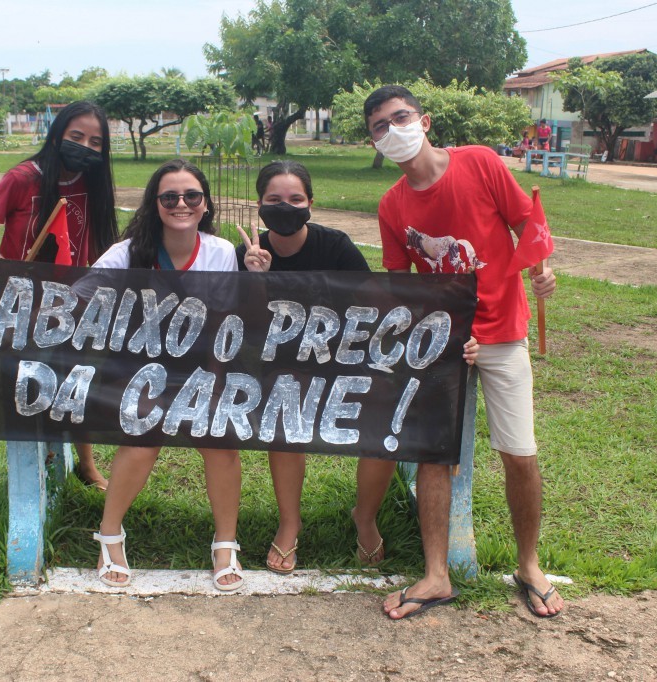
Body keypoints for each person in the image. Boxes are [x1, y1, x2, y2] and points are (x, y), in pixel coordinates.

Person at [362, 84, 562, 620]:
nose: (392, 130)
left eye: (399, 117)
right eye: (379, 126)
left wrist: (542, 271)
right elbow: (401, 288)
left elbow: (526, 224)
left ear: (424, 121)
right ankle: (435, 575)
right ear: (374, 142)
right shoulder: (391, 205)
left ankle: (529, 564)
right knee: (435, 456)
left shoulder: (480, 164)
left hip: (502, 335)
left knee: (519, 453)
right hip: (443, 346)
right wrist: (439, 335)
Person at [237, 161, 478, 575]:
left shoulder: (336, 245)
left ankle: (364, 517)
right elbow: (243, 324)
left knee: (384, 411)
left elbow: (382, 305)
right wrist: (256, 279)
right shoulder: (247, 251)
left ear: (310, 203)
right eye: (274, 200)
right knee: (284, 407)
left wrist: (451, 337)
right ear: (259, 204)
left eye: (295, 199)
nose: (285, 207)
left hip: (344, 358)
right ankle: (289, 522)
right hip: (284, 364)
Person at [92, 159, 245, 593]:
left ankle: (226, 543)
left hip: (200, 365)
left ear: (205, 203)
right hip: (140, 368)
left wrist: (217, 380)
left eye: (191, 195)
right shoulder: (127, 253)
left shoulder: (220, 251)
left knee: (221, 442)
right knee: (141, 441)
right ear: (154, 203)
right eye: (169, 197)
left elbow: (224, 322)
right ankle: (109, 535)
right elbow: (77, 296)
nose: (181, 204)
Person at [0, 100, 119, 491]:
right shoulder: (22, 178)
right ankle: (37, 463)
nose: (85, 145)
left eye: (96, 141)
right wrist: (1, 267)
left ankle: (85, 463)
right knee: (29, 376)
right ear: (57, 135)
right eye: (76, 136)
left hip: (74, 298)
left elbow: (102, 239)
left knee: (76, 376)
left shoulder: (91, 182)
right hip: (22, 300)